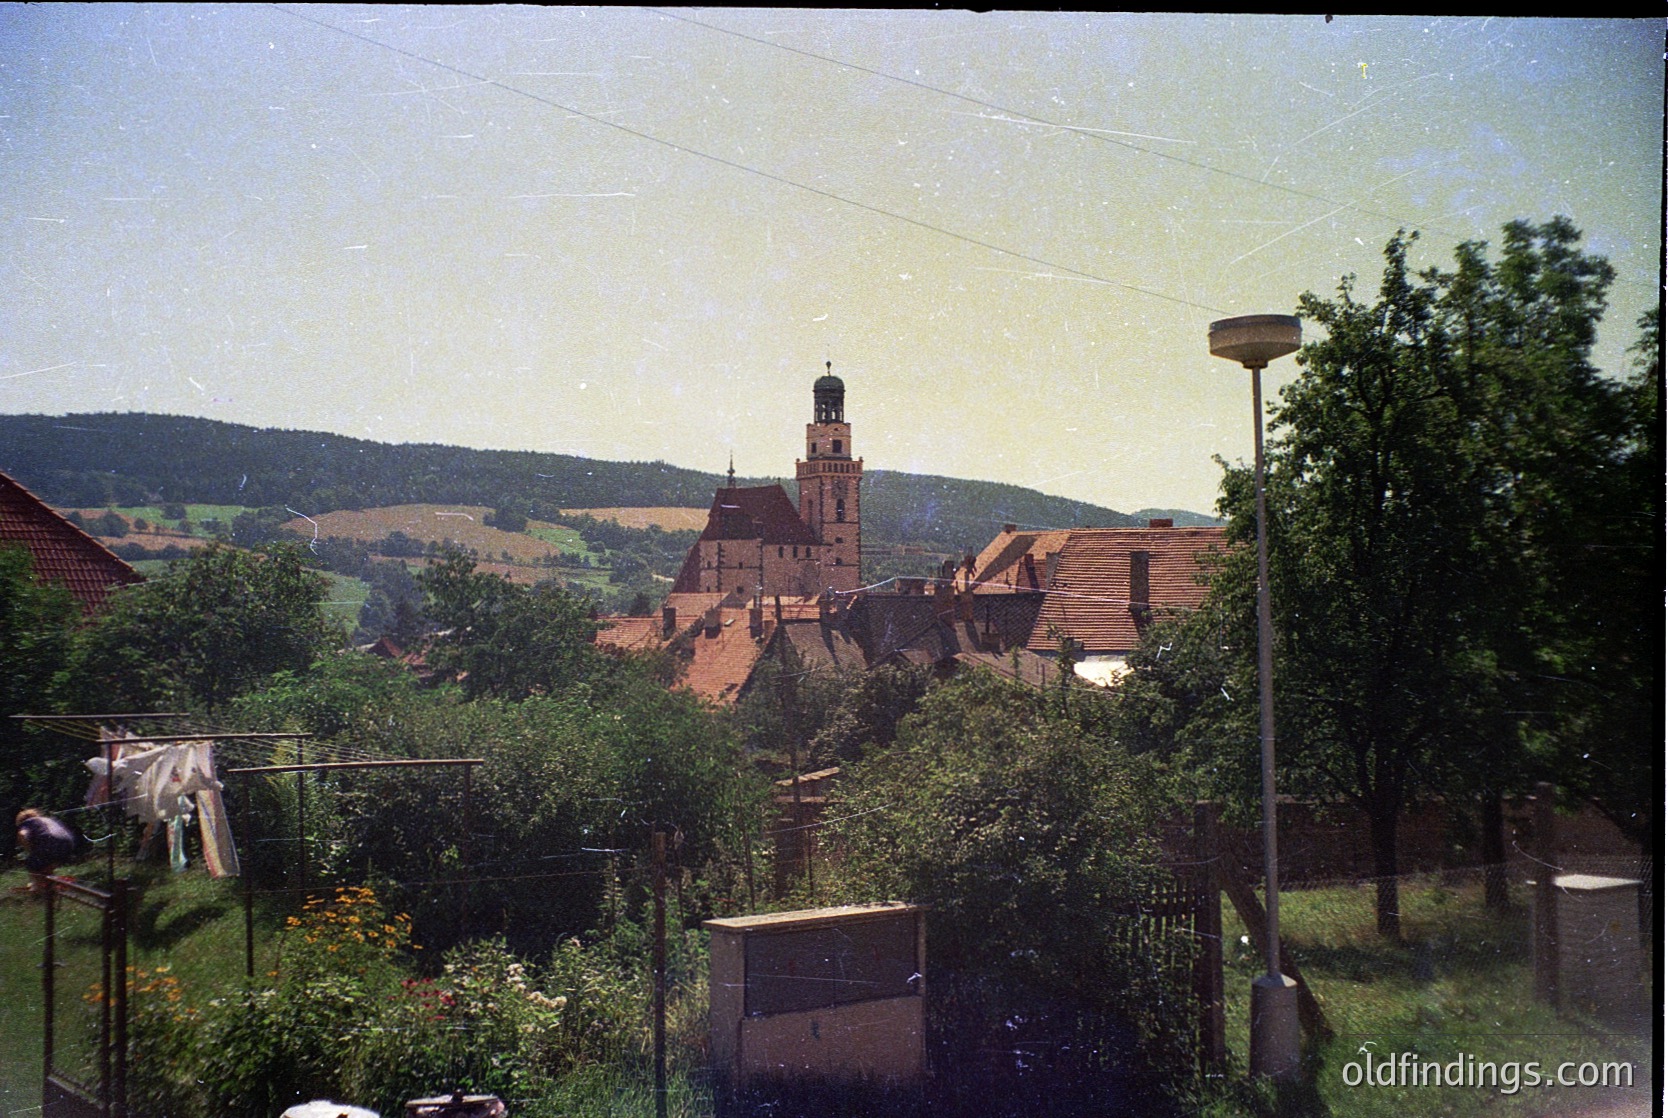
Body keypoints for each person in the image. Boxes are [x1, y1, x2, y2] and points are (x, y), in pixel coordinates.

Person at [15, 809, 77, 896]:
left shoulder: (27, 823)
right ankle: (51, 889)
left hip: (49, 842)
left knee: (32, 863)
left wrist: (29, 849)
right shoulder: (48, 820)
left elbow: (22, 835)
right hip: (68, 842)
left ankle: (38, 892)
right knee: (46, 868)